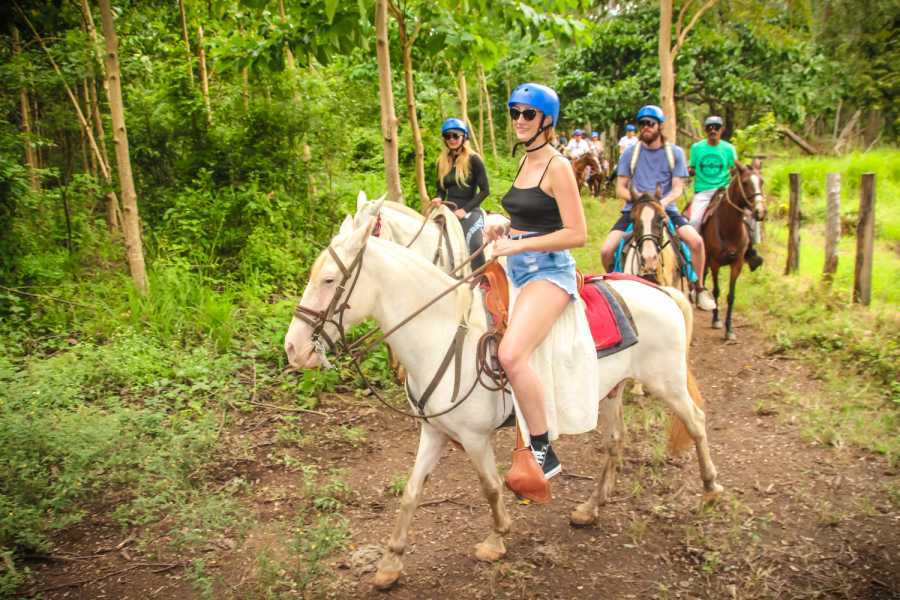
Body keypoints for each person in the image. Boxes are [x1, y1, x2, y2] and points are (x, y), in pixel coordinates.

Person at [485, 83, 587, 479]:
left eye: (528, 114)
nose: (519, 121)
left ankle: (543, 451)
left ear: (547, 120)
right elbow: (530, 216)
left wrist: (516, 245)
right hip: (515, 266)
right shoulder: (526, 161)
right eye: (515, 113)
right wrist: (502, 224)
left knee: (511, 355)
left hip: (548, 271)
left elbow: (576, 232)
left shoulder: (557, 166)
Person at [600, 105, 716, 310]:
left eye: (650, 123)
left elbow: (678, 187)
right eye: (642, 124)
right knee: (607, 250)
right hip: (634, 211)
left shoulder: (675, 153)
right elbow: (620, 188)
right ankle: (614, 290)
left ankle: (697, 287)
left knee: (696, 242)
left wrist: (659, 204)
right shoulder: (630, 153)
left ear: (660, 126)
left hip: (665, 210)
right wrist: (642, 202)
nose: (645, 127)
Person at [688, 116, 763, 270]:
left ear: (721, 130)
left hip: (724, 190)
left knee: (751, 214)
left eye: (716, 127)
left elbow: (734, 167)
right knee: (694, 221)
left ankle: (751, 251)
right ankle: (692, 255)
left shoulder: (728, 149)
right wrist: (687, 172)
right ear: (705, 130)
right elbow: (692, 167)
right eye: (709, 128)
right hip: (703, 191)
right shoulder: (696, 148)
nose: (712, 130)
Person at [431, 118, 490, 270]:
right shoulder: (441, 161)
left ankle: (481, 277)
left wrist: (465, 210)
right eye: (447, 136)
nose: (451, 139)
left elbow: (485, 191)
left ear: (464, 137)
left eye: (455, 135)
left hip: (469, 210)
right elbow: (441, 189)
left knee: (475, 243)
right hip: (447, 209)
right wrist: (438, 198)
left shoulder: (474, 159)